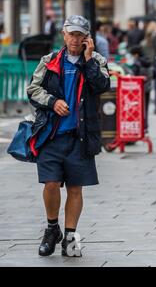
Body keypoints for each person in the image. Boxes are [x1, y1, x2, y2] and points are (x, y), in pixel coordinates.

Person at [26, 15, 110, 257]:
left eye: (80, 34)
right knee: (51, 184)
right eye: (71, 34)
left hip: (80, 136)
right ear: (64, 34)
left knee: (75, 188)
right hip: (51, 135)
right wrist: (52, 102)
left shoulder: (96, 61)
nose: (75, 39)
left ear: (87, 38)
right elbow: (32, 89)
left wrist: (88, 61)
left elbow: (102, 87)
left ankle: (70, 237)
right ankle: (52, 228)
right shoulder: (50, 60)